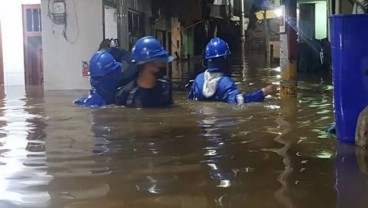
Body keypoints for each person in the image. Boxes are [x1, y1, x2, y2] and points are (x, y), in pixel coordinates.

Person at [188, 37, 277, 104]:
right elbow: (240, 101)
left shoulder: (198, 80)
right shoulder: (226, 83)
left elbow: (190, 100)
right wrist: (263, 92)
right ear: (226, 60)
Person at [115, 36, 174, 108]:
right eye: (159, 59)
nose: (163, 63)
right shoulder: (124, 94)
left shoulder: (165, 85)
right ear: (146, 63)